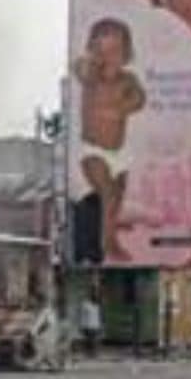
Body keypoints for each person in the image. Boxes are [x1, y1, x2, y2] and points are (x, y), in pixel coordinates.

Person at [74, 18, 146, 263]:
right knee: (108, 192)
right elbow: (82, 70)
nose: (110, 58)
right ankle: (107, 242)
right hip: (92, 148)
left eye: (117, 51)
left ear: (126, 54)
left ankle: (110, 232)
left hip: (119, 151)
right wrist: (92, 61)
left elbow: (139, 99)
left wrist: (123, 107)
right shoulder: (91, 76)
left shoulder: (128, 80)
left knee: (117, 196)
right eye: (103, 51)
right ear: (93, 49)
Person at [80, 289, 104, 358]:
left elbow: (100, 316)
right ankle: (88, 353)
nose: (95, 297)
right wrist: (82, 325)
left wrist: (101, 325)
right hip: (87, 326)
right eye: (94, 296)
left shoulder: (98, 305)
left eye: (96, 296)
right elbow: (83, 316)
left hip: (96, 326)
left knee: (95, 341)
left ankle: (94, 354)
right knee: (88, 341)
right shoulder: (85, 304)